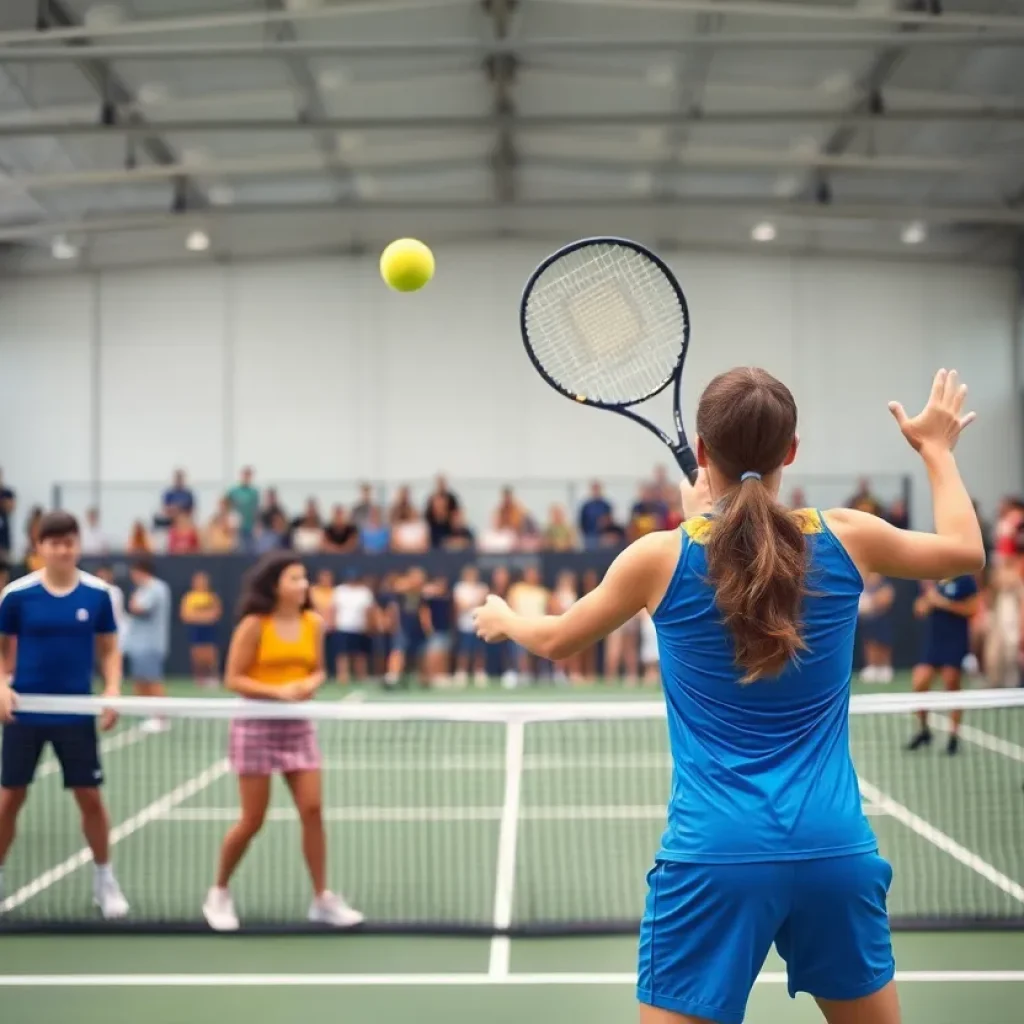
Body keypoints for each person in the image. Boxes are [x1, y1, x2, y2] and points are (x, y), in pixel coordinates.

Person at [474, 367, 983, 1024]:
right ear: (791, 451)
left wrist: (504, 618)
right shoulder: (849, 536)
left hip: (715, 856)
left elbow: (555, 640)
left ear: (704, 453)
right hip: (836, 852)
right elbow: (965, 551)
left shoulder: (657, 558)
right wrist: (937, 451)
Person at [202, 553, 362, 932]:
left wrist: (308, 685)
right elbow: (234, 678)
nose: (303, 584)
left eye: (304, 578)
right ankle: (219, 892)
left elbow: (318, 670)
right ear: (275, 585)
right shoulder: (254, 626)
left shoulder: (314, 624)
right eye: (295, 578)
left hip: (297, 725)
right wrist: (278, 692)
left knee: (312, 808)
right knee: (253, 819)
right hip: (255, 724)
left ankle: (322, 898)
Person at [0, 511, 129, 917]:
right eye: (53, 542)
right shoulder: (16, 596)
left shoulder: (97, 595)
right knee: (9, 799)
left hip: (76, 712)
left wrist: (111, 690)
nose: (62, 549)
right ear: (38, 548)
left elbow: (109, 650)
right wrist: (2, 684)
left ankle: (104, 880)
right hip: (26, 712)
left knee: (89, 797)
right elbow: (3, 652)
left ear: (78, 545)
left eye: (69, 541)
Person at [907, 571, 980, 755]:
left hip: (955, 640)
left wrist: (943, 603)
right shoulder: (935, 581)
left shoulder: (966, 581)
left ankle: (953, 736)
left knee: (951, 683)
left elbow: (972, 609)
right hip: (934, 641)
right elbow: (919, 609)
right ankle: (924, 730)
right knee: (919, 682)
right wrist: (925, 604)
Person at [124, 558, 172, 733]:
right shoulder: (144, 589)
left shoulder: (155, 588)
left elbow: (138, 608)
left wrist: (133, 602)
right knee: (141, 680)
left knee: (153, 680)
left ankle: (161, 718)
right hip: (138, 644)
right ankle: (149, 716)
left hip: (150, 644)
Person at [180, 571, 223, 689]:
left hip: (209, 630)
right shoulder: (189, 597)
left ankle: (213, 678)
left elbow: (215, 614)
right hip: (195, 630)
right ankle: (199, 679)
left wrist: (200, 617)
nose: (200, 583)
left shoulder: (212, 597)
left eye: (202, 580)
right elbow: (186, 615)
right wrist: (202, 617)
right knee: (196, 654)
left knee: (210, 654)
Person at [331, 571, 374, 684]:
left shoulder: (364, 592)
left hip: (360, 627)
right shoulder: (339, 590)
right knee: (342, 654)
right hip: (342, 626)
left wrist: (369, 626)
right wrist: (333, 623)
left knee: (360, 654)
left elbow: (368, 611)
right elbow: (333, 609)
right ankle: (343, 677)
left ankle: (361, 677)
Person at [858, 572, 896, 684]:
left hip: (883, 618)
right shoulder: (863, 586)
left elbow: (887, 599)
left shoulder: (885, 585)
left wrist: (872, 602)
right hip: (869, 619)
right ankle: (871, 667)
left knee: (884, 642)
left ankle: (885, 668)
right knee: (870, 642)